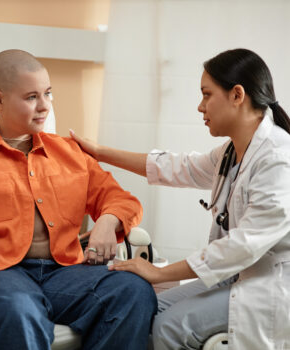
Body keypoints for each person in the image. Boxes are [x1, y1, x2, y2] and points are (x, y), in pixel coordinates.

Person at [70, 48, 290, 350]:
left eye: (207, 95)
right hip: (236, 274)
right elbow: (177, 166)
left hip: (269, 285)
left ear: (237, 95)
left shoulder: (278, 159)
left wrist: (160, 272)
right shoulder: (232, 152)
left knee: (170, 328)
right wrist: (99, 152)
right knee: (148, 308)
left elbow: (243, 246)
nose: (200, 107)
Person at [0, 49, 157, 350]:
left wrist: (108, 221)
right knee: (20, 310)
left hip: (64, 273)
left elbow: (120, 198)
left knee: (132, 290)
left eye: (48, 93)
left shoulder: (69, 152)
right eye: (31, 97)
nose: (44, 106)